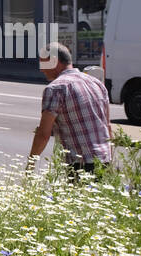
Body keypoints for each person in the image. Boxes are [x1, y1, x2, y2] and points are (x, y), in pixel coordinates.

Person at [28, 42, 112, 177]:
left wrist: (30, 165)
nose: (41, 69)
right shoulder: (96, 83)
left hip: (81, 164)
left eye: (43, 64)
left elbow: (43, 134)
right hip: (105, 161)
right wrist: (110, 159)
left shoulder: (55, 88)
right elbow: (107, 126)